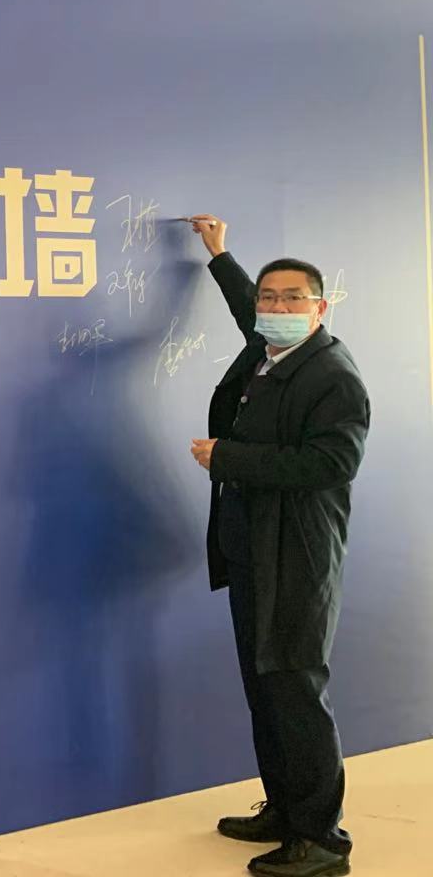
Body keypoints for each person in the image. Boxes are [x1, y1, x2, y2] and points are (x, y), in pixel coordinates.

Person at [185, 215, 369, 877]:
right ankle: (286, 811)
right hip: (252, 548)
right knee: (264, 685)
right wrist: (220, 255)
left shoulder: (332, 374)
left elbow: (332, 463)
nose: (277, 308)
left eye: (294, 299)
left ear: (320, 308)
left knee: (294, 687)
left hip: (297, 553)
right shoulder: (269, 351)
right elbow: (247, 309)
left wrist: (229, 457)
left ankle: (321, 840)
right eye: (270, 297)